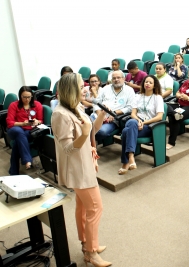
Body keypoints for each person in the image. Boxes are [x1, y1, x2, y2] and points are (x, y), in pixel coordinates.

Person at [51, 73, 111, 267]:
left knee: (84, 207)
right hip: (78, 169)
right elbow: (67, 148)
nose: (85, 88)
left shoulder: (75, 107)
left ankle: (86, 244)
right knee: (95, 208)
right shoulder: (60, 114)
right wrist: (84, 134)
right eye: (81, 86)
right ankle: (91, 253)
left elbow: (91, 130)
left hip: (85, 163)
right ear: (72, 90)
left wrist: (101, 116)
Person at [119, 75, 164, 174]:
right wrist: (138, 120)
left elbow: (159, 117)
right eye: (146, 82)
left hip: (149, 126)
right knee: (131, 122)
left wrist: (143, 122)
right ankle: (130, 157)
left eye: (150, 82)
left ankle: (126, 161)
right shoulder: (138, 96)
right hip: (136, 123)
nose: (147, 84)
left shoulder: (158, 98)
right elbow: (133, 114)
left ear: (154, 85)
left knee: (126, 131)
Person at [6, 86, 43, 175]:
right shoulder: (14, 105)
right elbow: (10, 122)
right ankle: (27, 159)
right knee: (19, 133)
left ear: (32, 96)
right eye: (24, 97)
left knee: (17, 143)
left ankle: (13, 172)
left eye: (29, 97)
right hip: (15, 129)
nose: (27, 99)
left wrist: (36, 121)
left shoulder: (37, 105)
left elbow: (41, 120)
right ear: (20, 96)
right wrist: (23, 124)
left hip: (29, 131)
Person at [93, 70, 135, 142]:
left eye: (118, 77)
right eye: (114, 78)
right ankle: (89, 149)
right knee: (85, 127)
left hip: (114, 119)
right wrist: (99, 114)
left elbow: (130, 108)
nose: (116, 80)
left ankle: (90, 148)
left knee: (101, 132)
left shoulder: (129, 90)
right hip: (97, 115)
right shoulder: (105, 88)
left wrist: (114, 113)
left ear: (124, 79)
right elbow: (96, 102)